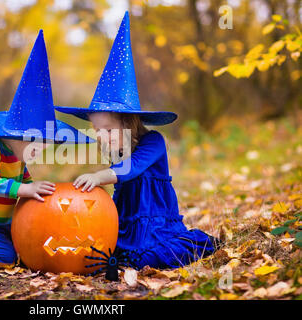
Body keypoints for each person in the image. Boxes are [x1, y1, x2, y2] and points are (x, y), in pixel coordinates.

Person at [56, 12, 221, 269]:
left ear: (129, 124)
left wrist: (100, 176)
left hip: (155, 220)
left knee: (149, 258)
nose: (102, 136)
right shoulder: (115, 150)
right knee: (108, 254)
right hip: (127, 221)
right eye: (97, 130)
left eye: (108, 130)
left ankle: (194, 245)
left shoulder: (153, 142)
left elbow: (130, 169)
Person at [0, 30, 93, 267]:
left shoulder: (20, 158)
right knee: (5, 259)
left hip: (6, 224)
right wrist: (25, 190)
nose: (39, 151)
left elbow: (27, 184)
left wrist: (39, 195)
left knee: (29, 251)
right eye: (36, 144)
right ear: (18, 136)